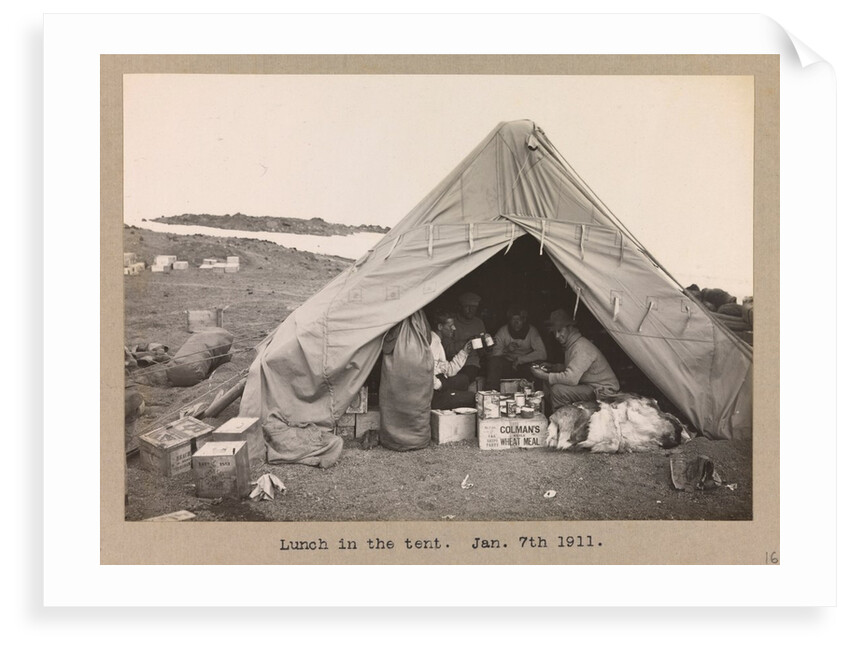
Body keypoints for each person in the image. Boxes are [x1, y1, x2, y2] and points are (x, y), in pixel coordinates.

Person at [530, 309, 619, 410]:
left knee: (557, 390)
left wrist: (544, 375)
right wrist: (555, 367)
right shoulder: (572, 344)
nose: (557, 336)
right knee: (551, 384)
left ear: (570, 328)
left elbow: (571, 379)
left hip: (603, 391)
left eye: (560, 330)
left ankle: (564, 422)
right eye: (554, 332)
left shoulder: (580, 347)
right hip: (592, 386)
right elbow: (577, 368)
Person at [485, 304, 547, 390]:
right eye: (513, 319)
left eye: (519, 319)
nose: (516, 323)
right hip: (508, 365)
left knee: (539, 364)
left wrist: (520, 360)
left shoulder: (532, 331)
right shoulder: (503, 331)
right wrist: (506, 350)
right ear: (509, 320)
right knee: (494, 362)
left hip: (525, 366)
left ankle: (537, 395)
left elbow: (542, 354)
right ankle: (491, 392)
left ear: (524, 320)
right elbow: (492, 354)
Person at [429, 309, 476, 409]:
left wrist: (465, 351)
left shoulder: (437, 341)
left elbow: (449, 370)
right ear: (440, 327)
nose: (454, 328)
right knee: (473, 398)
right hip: (433, 395)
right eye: (450, 326)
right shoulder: (433, 343)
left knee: (464, 379)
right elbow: (426, 372)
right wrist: (441, 386)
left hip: (439, 382)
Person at [443, 292, 487, 386]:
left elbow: (482, 352)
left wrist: (487, 346)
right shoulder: (451, 323)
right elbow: (447, 350)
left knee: (468, 375)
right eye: (467, 307)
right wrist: (466, 342)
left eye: (473, 307)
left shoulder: (478, 323)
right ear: (461, 307)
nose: (470, 310)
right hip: (453, 362)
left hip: (472, 362)